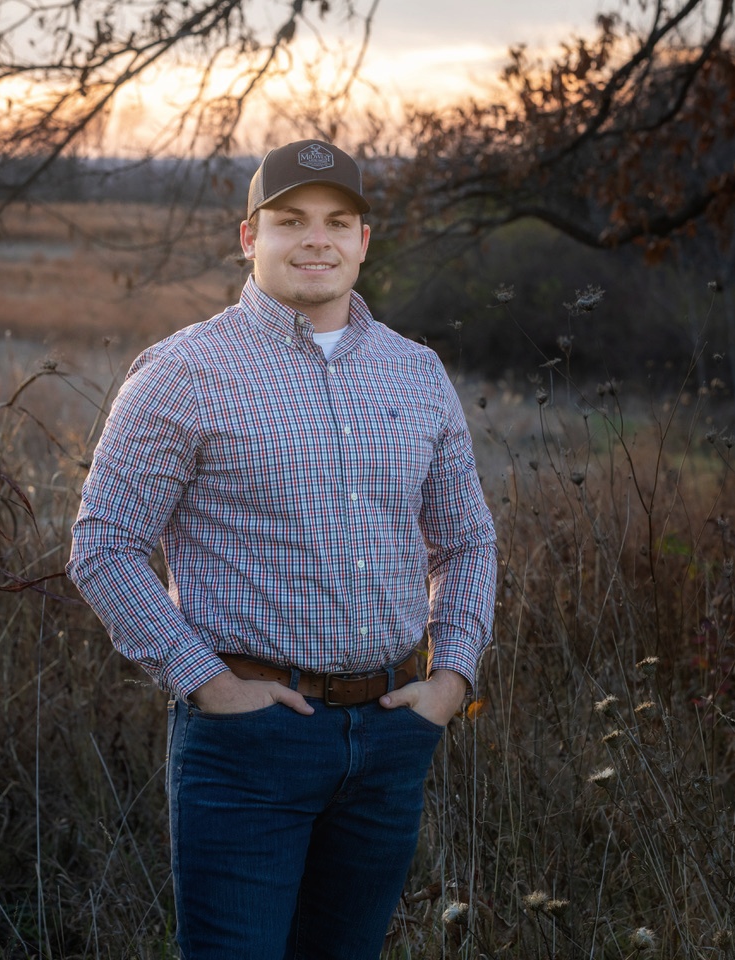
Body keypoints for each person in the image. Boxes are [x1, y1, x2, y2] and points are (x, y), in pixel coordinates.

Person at [67, 138, 497, 959]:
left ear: (364, 241)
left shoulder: (416, 372)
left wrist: (452, 677)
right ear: (248, 237)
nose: (316, 240)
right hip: (248, 743)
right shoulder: (184, 372)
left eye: (339, 222)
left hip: (392, 732)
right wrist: (208, 684)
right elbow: (104, 546)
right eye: (290, 220)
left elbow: (468, 541)